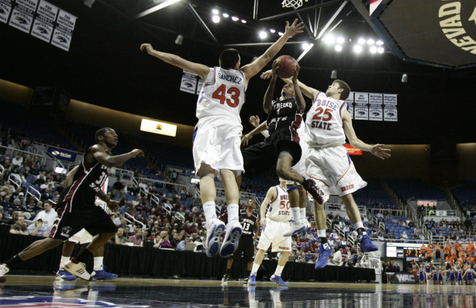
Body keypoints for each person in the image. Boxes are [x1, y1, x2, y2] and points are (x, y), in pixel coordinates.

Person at [140, 19, 304, 259]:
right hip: (232, 125)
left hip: (209, 124)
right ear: (238, 63)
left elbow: (177, 61)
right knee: (230, 172)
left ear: (220, 63)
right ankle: (235, 220)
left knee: (206, 172)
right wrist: (287, 35)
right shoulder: (244, 74)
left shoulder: (209, 72)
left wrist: (154, 51)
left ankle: (211, 221)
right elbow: (268, 55)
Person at [274, 76, 390, 269]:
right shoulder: (317, 95)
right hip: (313, 152)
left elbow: (353, 141)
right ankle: (323, 245)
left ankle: (362, 235)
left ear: (340, 91)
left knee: (347, 196)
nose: (328, 85)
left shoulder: (344, 110)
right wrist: (285, 73)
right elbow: (299, 84)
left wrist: (370, 148)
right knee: (317, 197)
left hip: (334, 151)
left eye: (333, 85)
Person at [0, 127, 144, 282]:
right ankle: (5, 266)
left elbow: (94, 185)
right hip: (75, 202)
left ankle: (76, 263)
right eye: (111, 134)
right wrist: (132, 153)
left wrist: (108, 200)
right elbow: (107, 162)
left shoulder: (101, 161)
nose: (115, 136)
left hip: (88, 204)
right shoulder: (95, 149)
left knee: (109, 231)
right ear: (101, 138)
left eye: (116, 134)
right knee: (53, 241)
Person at [240, 62, 321, 232]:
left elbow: (302, 105)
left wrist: (296, 81)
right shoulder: (276, 105)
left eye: (289, 86)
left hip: (289, 140)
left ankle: (308, 186)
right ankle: (233, 208)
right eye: (286, 86)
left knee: (283, 172)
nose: (287, 87)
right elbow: (266, 110)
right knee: (239, 161)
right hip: (272, 142)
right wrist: (274, 80)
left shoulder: (295, 104)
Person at [248, 179, 292, 287]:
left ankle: (277, 274)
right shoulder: (274, 189)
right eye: (283, 176)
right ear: (279, 178)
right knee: (262, 248)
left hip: (285, 223)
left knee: (286, 252)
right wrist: (262, 218)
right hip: (272, 222)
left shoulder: (293, 191)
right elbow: (264, 204)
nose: (285, 178)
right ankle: (253, 274)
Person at [222, 198, 258, 284]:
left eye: (253, 202)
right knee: (232, 256)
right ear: (247, 203)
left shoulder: (255, 216)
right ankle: (227, 274)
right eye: (250, 201)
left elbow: (257, 226)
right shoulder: (241, 212)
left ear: (254, 205)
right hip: (239, 237)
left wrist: (257, 233)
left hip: (249, 238)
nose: (251, 203)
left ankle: (248, 276)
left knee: (249, 258)